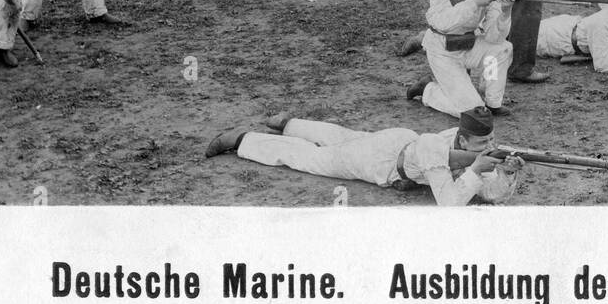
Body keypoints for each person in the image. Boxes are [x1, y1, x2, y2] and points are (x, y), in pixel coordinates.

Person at [205, 106, 522, 206]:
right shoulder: (436, 149)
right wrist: (476, 169)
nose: (489, 145)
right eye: (483, 141)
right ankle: (242, 139)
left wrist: (506, 173)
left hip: (398, 142)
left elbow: (489, 193)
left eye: (491, 139)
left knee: (343, 138)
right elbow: (450, 204)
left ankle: (289, 123)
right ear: (463, 138)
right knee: (318, 159)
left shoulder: (469, 149)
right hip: (380, 161)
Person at [401, 0, 513, 117]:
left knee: (503, 49)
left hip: (468, 44)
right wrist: (474, 2)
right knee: (472, 113)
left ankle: (492, 101)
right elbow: (443, 23)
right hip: (442, 51)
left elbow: (494, 38)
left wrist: (505, 12)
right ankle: (427, 89)